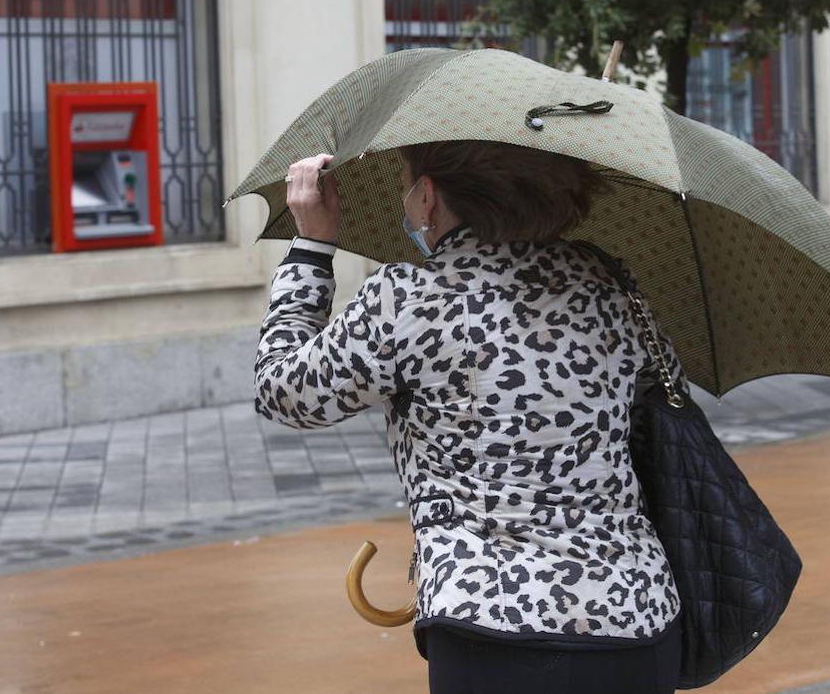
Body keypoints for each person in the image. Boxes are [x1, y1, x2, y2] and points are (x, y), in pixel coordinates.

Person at [257, 140, 688, 694]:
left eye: (408, 186)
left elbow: (282, 390)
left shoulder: (410, 296)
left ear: (428, 197)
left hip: (490, 631)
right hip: (636, 620)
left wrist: (313, 246)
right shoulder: (608, 283)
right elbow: (658, 393)